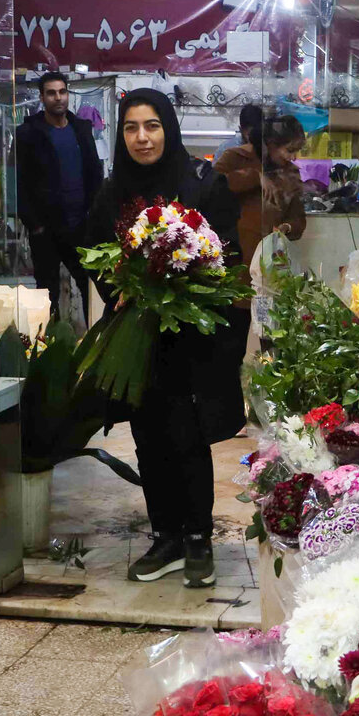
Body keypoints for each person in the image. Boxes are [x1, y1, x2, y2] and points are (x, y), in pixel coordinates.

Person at [88, 88, 247, 588]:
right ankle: (167, 537)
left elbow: (230, 257)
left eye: (152, 126)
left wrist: (190, 289)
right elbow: (93, 251)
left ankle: (198, 538)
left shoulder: (202, 185)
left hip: (192, 338)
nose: (142, 137)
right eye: (131, 127)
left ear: (168, 129)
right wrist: (120, 288)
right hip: (138, 339)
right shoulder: (113, 191)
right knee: (148, 436)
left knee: (188, 435)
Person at [13, 71, 104, 321]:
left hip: (80, 227)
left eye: (62, 92)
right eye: (51, 93)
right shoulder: (27, 134)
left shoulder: (81, 130)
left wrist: (94, 214)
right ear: (42, 97)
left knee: (93, 288)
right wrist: (35, 225)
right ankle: (49, 348)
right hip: (46, 230)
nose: (58, 98)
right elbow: (18, 182)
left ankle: (92, 342)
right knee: (47, 296)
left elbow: (95, 173)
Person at [212, 107, 270, 265]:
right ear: (241, 130)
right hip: (235, 228)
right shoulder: (230, 152)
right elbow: (214, 184)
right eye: (249, 132)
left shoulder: (269, 152)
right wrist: (253, 177)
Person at [261, 115, 308, 244]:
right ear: (271, 145)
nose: (293, 157)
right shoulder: (246, 163)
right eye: (289, 150)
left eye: (296, 151)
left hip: (271, 249)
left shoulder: (291, 173)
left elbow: (297, 216)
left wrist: (287, 227)